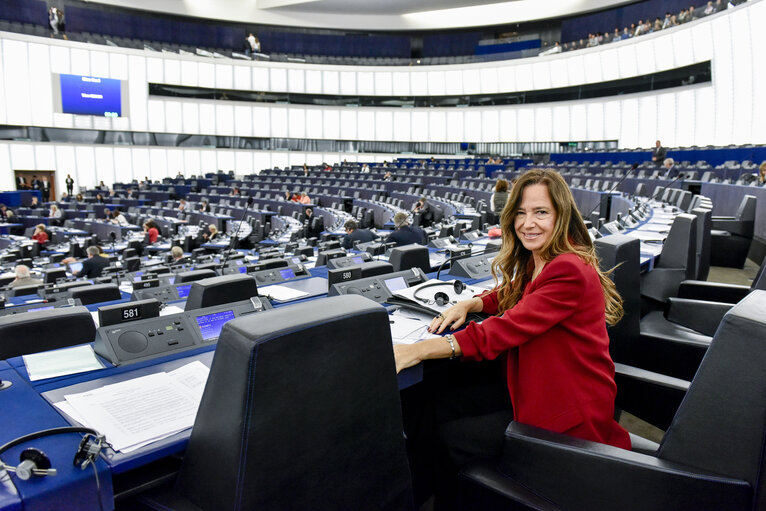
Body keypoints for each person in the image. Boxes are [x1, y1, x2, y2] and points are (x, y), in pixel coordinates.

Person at [394, 169, 630, 506]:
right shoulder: (549, 259)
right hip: (539, 387)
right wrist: (473, 302)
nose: (527, 223)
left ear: (561, 215)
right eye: (520, 212)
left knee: (451, 437)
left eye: (540, 212)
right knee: (439, 405)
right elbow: (515, 293)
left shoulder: (568, 269)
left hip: (567, 411)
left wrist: (416, 351)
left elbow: (503, 329)